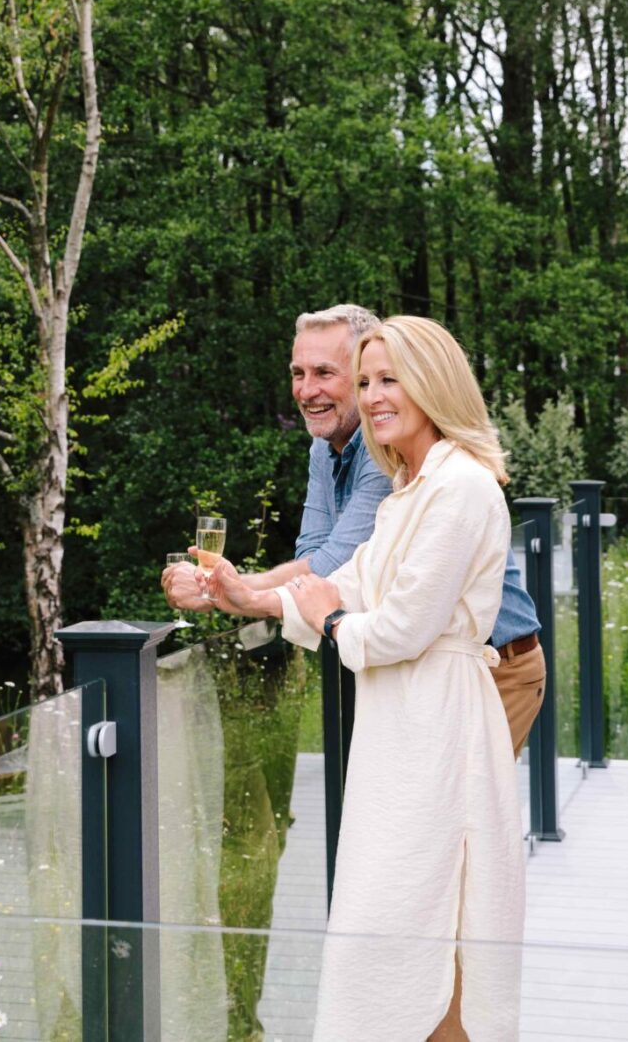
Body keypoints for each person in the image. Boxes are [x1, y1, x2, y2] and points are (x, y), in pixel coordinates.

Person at [204, 316, 524, 1041]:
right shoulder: (409, 488)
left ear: (434, 384)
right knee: (393, 923)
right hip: (399, 731)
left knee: (436, 916)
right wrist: (245, 594)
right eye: (370, 380)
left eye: (391, 379)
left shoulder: (463, 488)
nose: (375, 396)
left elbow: (401, 625)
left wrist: (332, 623)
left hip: (440, 730)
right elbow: (347, 577)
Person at [164, 303, 545, 756]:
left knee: (457, 822)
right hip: (420, 670)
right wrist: (236, 592)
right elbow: (322, 558)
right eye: (298, 373)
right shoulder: (332, 450)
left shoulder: (402, 452)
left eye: (325, 372)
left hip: (490, 664)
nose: (307, 390)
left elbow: (333, 567)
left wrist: (240, 592)